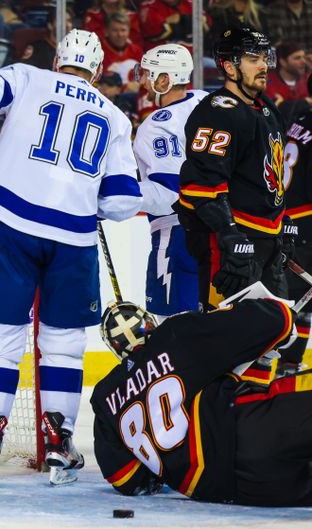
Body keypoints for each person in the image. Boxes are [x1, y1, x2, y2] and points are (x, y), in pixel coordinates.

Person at [0, 28, 142, 486]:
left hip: (11, 221)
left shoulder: (28, 77)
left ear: (56, 62)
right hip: (74, 237)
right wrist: (88, 200)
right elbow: (125, 200)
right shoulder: (114, 114)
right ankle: (59, 443)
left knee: (1, 338)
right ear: (99, 71)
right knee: (63, 345)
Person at [91, 295, 312, 506]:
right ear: (148, 323)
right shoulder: (173, 334)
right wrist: (274, 309)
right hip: (248, 431)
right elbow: (275, 320)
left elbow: (127, 479)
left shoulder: (104, 397)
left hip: (230, 489)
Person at [178, 28, 293, 381]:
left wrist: (281, 226)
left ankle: (253, 423)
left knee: (269, 342)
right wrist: (228, 234)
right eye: (253, 59)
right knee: (227, 339)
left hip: (265, 242)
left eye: (265, 58)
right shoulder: (217, 112)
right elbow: (201, 183)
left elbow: (269, 174)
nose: (264, 66)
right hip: (231, 243)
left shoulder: (266, 108)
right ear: (229, 67)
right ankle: (215, 425)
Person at [133, 44, 206, 322]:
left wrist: (113, 196)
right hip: (221, 229)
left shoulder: (156, 125)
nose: (142, 80)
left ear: (164, 80)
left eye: (147, 73)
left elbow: (170, 192)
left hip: (176, 234)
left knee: (172, 328)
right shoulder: (206, 101)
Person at [280, 82, 312, 377]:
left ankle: (287, 364)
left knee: (300, 300)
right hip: (305, 226)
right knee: (299, 301)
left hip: (285, 221)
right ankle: (283, 364)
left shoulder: (298, 122)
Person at [101, 12, 142, 94]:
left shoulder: (137, 51)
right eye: (115, 30)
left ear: (129, 30)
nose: (119, 34)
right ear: (106, 31)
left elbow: (146, 76)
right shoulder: (99, 52)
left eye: (123, 30)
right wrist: (123, 89)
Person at [263, 42, 310, 109]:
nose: (303, 61)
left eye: (304, 57)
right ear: (283, 62)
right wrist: (305, 102)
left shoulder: (308, 80)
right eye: (297, 58)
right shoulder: (268, 83)